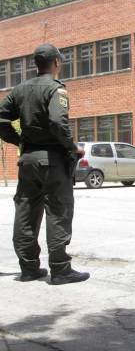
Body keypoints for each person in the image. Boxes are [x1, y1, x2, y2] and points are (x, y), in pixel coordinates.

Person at [0, 43, 90, 285]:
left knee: (26, 211)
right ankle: (60, 269)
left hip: (28, 160)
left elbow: (1, 120)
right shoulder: (55, 89)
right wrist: (73, 148)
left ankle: (29, 268)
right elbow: (58, 123)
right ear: (57, 63)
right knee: (58, 210)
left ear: (36, 64)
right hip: (52, 161)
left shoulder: (19, 90)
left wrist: (19, 141)